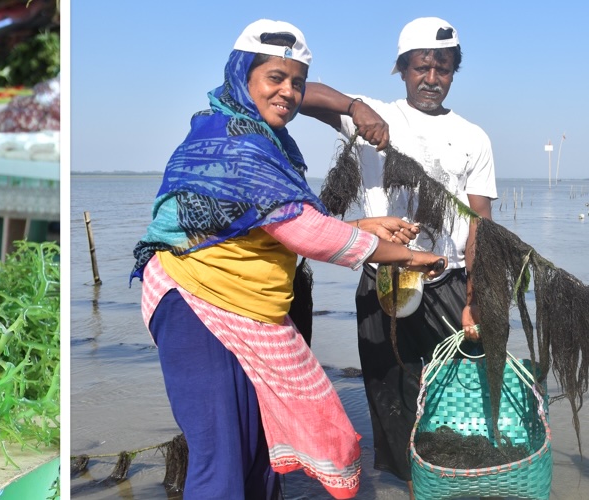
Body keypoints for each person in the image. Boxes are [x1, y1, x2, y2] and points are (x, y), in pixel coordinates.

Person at [130, 19, 447, 499]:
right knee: (221, 459)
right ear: (244, 77)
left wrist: (365, 228)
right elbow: (302, 230)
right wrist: (404, 255)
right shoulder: (232, 138)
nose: (288, 92)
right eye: (274, 78)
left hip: (248, 307)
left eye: (297, 82)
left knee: (259, 453)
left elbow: (272, 225)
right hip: (196, 302)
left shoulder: (271, 143)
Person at [297, 16, 497, 495]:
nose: (432, 79)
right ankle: (412, 485)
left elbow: (480, 226)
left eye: (443, 68)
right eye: (421, 67)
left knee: (456, 395)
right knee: (392, 396)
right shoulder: (376, 118)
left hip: (446, 280)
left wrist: (476, 297)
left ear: (454, 71)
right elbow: (297, 94)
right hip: (384, 281)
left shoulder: (473, 137)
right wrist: (356, 107)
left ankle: (453, 482)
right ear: (402, 70)